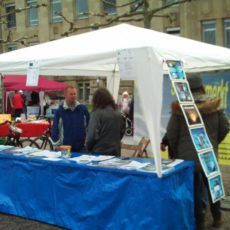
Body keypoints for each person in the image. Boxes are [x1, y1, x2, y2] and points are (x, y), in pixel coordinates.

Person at [166, 75, 229, 229]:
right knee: (213, 186)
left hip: (187, 158)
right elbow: (225, 127)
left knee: (192, 190)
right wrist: (213, 143)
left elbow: (171, 133)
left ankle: (198, 221)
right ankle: (217, 217)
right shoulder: (214, 106)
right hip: (208, 155)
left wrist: (176, 151)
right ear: (202, 87)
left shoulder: (180, 109)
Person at [86, 87, 125, 156]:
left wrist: (88, 148)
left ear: (96, 99)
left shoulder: (97, 113)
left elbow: (92, 135)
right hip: (115, 151)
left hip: (100, 152)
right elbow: (121, 131)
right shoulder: (117, 112)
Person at [51, 86, 90, 152]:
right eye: (71, 94)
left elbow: (89, 126)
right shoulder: (60, 111)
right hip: (65, 148)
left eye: (74, 94)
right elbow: (55, 129)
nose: (73, 96)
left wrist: (87, 142)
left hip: (81, 148)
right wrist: (57, 146)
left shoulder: (83, 109)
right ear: (65, 95)